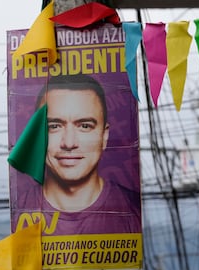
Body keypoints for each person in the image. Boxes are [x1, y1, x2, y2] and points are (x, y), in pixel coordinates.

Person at [13, 73, 141, 235]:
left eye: (85, 126)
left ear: (104, 136)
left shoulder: (133, 210)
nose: (69, 143)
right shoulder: (18, 212)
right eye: (54, 126)